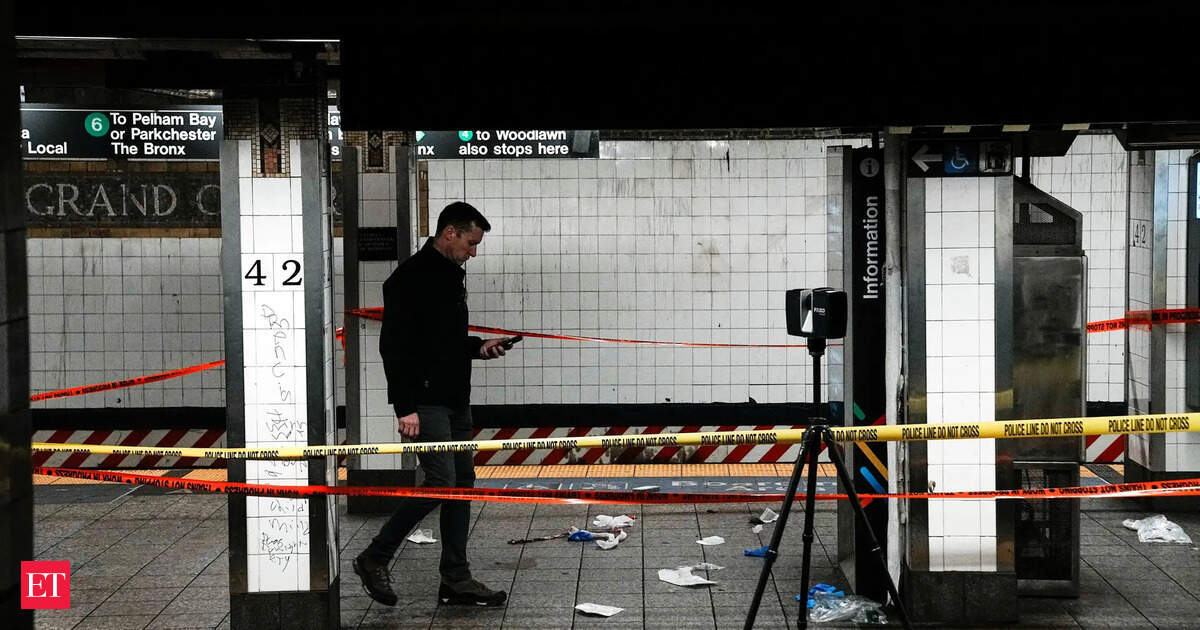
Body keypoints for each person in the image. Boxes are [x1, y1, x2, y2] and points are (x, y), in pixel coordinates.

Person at [354, 201, 517, 607]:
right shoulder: (409, 278)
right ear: (450, 233)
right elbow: (394, 346)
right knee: (441, 483)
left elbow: (440, 343)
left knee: (461, 487)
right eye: (471, 243)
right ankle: (375, 556)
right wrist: (404, 406)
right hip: (424, 402)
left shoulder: (450, 276)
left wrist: (479, 348)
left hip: (454, 399)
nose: (473, 252)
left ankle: (456, 579)